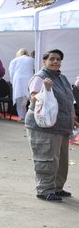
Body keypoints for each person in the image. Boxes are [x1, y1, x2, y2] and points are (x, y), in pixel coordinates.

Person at [24, 49, 78, 201]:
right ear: (44, 61)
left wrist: (72, 118)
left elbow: (69, 101)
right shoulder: (40, 77)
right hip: (43, 126)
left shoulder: (62, 78)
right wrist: (45, 89)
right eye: (52, 59)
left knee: (61, 160)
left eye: (58, 59)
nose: (55, 62)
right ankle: (45, 190)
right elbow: (34, 98)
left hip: (61, 126)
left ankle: (57, 188)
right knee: (46, 158)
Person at [7, 48, 36, 119]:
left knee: (19, 99)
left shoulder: (14, 60)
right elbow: (35, 69)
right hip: (30, 78)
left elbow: (11, 72)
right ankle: (32, 116)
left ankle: (22, 116)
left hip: (18, 80)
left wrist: (12, 82)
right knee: (32, 98)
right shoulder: (32, 60)